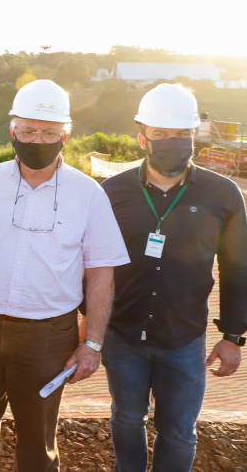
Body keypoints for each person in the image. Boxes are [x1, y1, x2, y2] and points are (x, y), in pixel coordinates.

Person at [0, 79, 130, 471]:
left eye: (48, 132)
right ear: (13, 132)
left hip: (49, 335)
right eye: (28, 130)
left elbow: (101, 275)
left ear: (66, 135)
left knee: (37, 443)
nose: (36, 139)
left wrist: (91, 344)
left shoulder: (88, 194)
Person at [101, 83, 247, 472]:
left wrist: (233, 336)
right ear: (142, 138)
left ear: (194, 135)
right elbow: (90, 264)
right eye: (161, 135)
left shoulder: (223, 194)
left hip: (184, 340)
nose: (172, 142)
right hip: (123, 335)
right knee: (127, 417)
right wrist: (88, 325)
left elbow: (238, 269)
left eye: (181, 134)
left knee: (179, 432)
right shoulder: (112, 192)